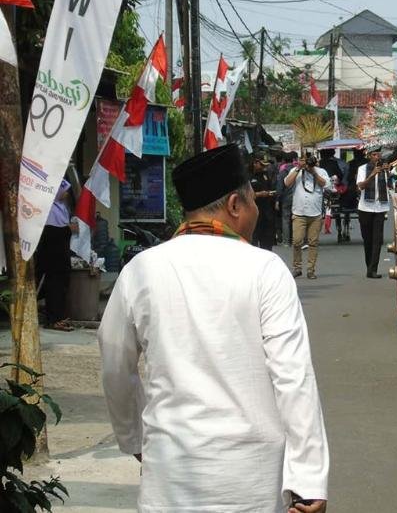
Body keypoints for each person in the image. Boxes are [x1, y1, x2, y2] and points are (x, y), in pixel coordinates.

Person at [98, 144, 329, 513]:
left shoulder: (141, 270)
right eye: (253, 200)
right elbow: (293, 377)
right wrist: (308, 477)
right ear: (236, 205)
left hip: (170, 477)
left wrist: (135, 439)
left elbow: (114, 366)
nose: (256, 210)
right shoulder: (265, 269)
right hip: (252, 480)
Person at [36, 178, 75, 331]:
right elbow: (51, 232)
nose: (66, 194)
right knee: (54, 287)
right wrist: (68, 229)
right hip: (52, 258)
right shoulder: (48, 208)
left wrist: (67, 229)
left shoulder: (61, 207)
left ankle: (57, 317)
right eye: (64, 190)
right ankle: (54, 319)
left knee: (60, 285)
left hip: (61, 257)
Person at [284, 152, 331, 279]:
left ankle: (311, 270)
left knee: (313, 242)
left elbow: (326, 185)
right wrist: (299, 168)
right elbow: (287, 183)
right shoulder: (295, 170)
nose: (307, 163)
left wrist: (313, 172)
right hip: (299, 212)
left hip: (315, 213)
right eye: (303, 160)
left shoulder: (320, 171)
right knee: (297, 241)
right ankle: (297, 267)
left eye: (308, 160)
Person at [356, 146, 391, 278]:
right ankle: (369, 266)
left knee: (378, 240)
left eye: (379, 155)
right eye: (375, 155)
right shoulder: (363, 169)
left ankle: (373, 269)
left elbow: (391, 186)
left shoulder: (385, 169)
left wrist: (388, 172)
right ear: (369, 156)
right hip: (365, 207)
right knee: (367, 240)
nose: (378, 157)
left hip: (380, 207)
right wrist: (372, 175)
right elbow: (361, 186)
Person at [251, 153, 277, 251]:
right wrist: (259, 194)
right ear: (255, 163)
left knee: (267, 243)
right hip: (253, 213)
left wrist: (272, 193)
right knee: (253, 243)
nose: (263, 167)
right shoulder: (248, 176)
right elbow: (244, 195)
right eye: (261, 165)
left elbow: (271, 188)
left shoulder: (265, 175)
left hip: (266, 213)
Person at [276, 151, 298, 247]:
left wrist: (277, 199)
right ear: (293, 160)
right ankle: (295, 240)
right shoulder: (297, 170)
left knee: (285, 219)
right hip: (297, 197)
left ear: (284, 160)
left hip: (286, 197)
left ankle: (286, 241)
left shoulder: (282, 172)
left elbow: (280, 187)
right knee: (296, 218)